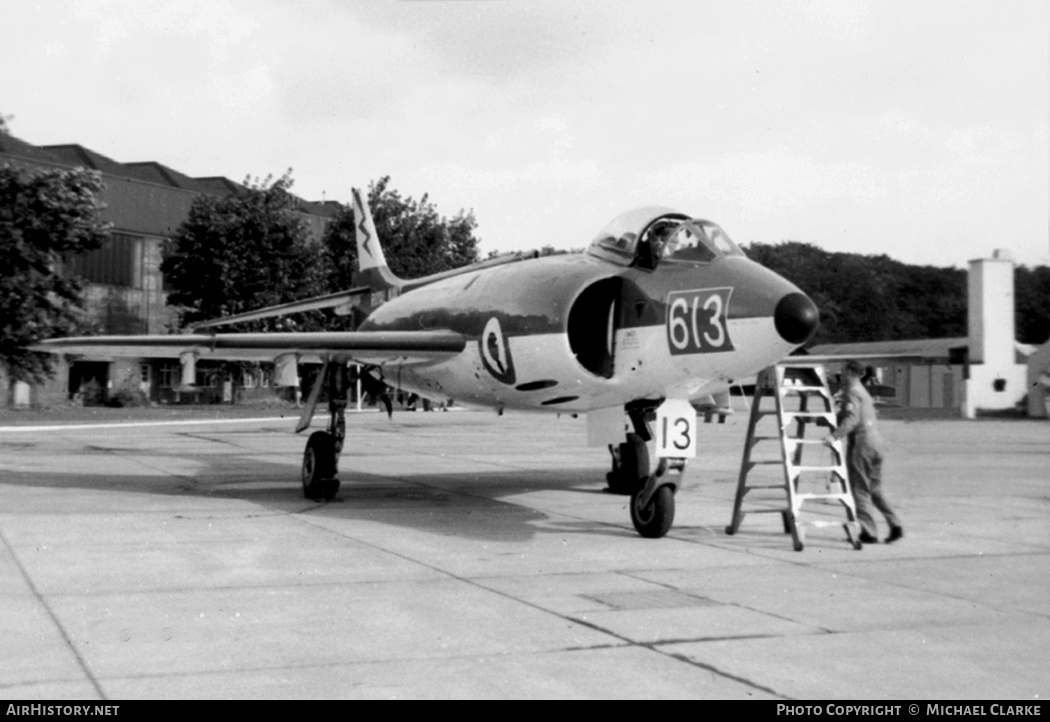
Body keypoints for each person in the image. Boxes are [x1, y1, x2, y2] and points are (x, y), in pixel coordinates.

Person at [825, 360, 903, 544]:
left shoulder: (851, 392)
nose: (841, 375)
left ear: (851, 373)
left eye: (843, 372)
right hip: (876, 443)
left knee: (859, 489)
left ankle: (868, 532)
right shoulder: (863, 392)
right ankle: (895, 524)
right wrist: (823, 420)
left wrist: (834, 436)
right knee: (875, 489)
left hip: (862, 445)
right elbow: (850, 416)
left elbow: (851, 420)